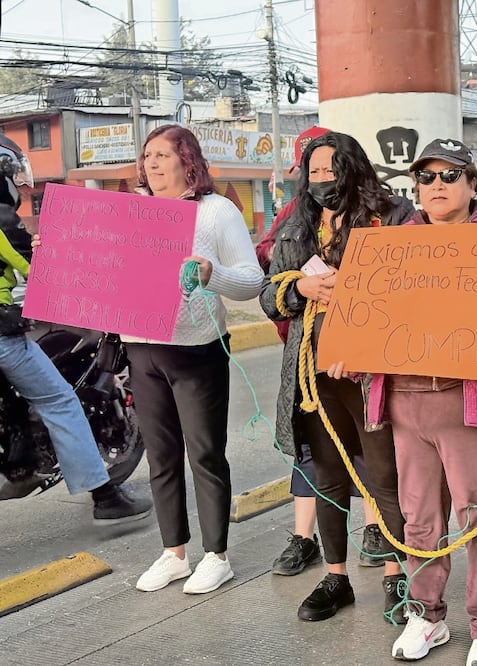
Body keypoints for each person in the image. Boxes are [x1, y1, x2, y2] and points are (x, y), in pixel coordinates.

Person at [356, 138, 477, 666]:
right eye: (426, 178)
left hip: (473, 403)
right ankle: (427, 616)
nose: (436, 186)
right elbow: (367, 318)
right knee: (419, 518)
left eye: (449, 176)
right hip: (405, 401)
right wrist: (349, 352)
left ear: (472, 183)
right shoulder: (390, 245)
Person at [259, 131, 413, 623]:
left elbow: (415, 285)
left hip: (371, 372)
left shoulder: (391, 215)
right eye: (315, 172)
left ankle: (395, 576)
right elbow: (269, 295)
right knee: (327, 477)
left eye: (332, 170)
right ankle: (336, 578)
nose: (323, 181)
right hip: (313, 372)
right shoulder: (297, 221)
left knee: (384, 478)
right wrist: (299, 286)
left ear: (355, 167)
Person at [114, 125, 263, 594]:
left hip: (197, 350)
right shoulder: (132, 212)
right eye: (147, 156)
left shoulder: (216, 212)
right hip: (141, 347)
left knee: (204, 453)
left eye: (163, 155)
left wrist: (209, 272)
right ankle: (173, 552)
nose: (152, 164)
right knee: (160, 456)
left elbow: (251, 280)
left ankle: (216, 555)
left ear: (187, 161)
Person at [1, 133, 151, 524]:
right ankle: (105, 497)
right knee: (59, 401)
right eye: (14, 174)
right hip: (3, 338)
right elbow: (44, 273)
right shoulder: (4, 221)